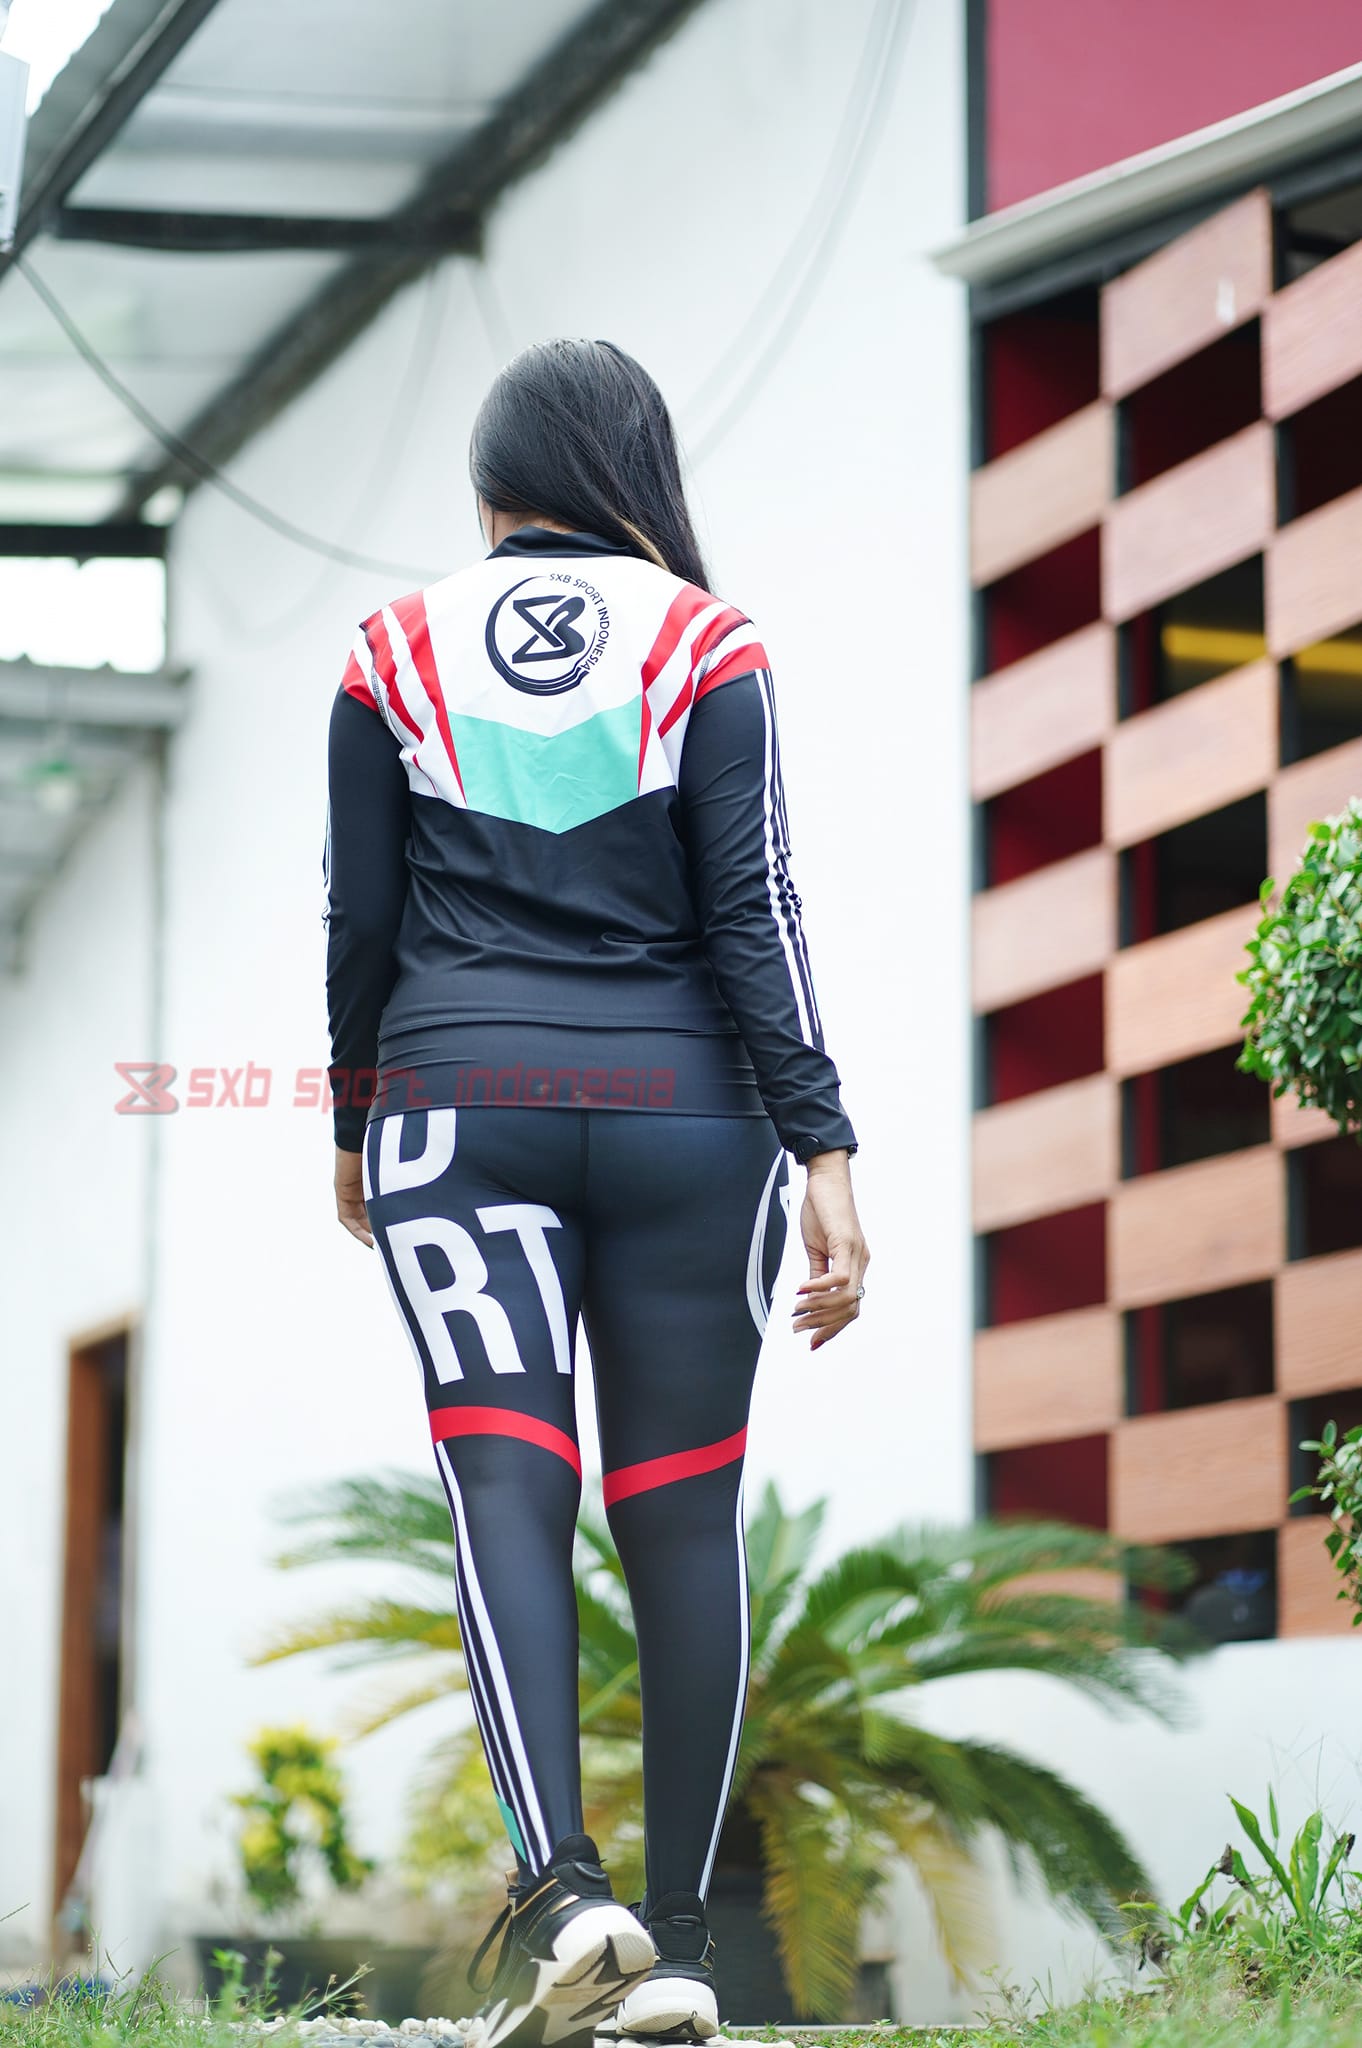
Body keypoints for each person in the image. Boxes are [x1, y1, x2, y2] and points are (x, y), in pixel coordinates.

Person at [323, 338, 868, 2048]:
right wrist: (825, 1148)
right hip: (694, 1121)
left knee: (506, 1476)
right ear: (635, 475)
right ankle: (685, 1948)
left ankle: (567, 1903)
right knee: (681, 1512)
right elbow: (755, 906)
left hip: (457, 1105)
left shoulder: (389, 649)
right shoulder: (709, 641)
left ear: (491, 490)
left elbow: (359, 918)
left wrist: (350, 1121)